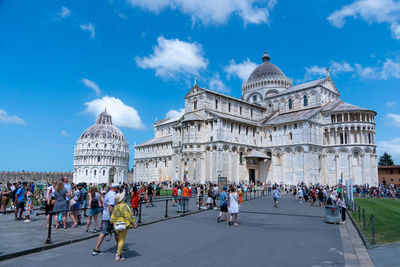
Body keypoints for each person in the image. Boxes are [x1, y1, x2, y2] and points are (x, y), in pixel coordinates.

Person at [92, 183, 120, 256]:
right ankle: (96, 248)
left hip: (106, 215)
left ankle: (96, 249)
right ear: (115, 188)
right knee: (114, 231)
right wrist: (112, 217)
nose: (118, 189)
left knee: (111, 232)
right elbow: (110, 206)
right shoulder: (112, 194)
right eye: (117, 188)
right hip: (109, 216)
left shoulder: (108, 193)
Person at [110, 192, 137, 262]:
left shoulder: (116, 206)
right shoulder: (124, 206)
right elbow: (128, 216)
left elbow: (112, 217)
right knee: (122, 240)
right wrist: (133, 223)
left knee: (120, 239)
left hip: (116, 224)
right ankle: (118, 255)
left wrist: (112, 221)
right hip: (123, 224)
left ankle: (119, 254)